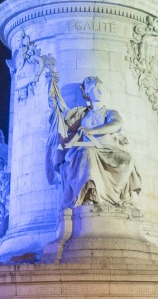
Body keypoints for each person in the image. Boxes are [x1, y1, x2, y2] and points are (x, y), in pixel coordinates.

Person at [49, 76, 141, 208]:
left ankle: (117, 196)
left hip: (109, 150)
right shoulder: (83, 115)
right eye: (96, 89)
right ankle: (89, 195)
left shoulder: (109, 112)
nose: (100, 92)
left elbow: (116, 124)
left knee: (127, 160)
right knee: (87, 153)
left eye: (101, 89)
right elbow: (69, 130)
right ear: (88, 93)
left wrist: (92, 131)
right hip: (88, 148)